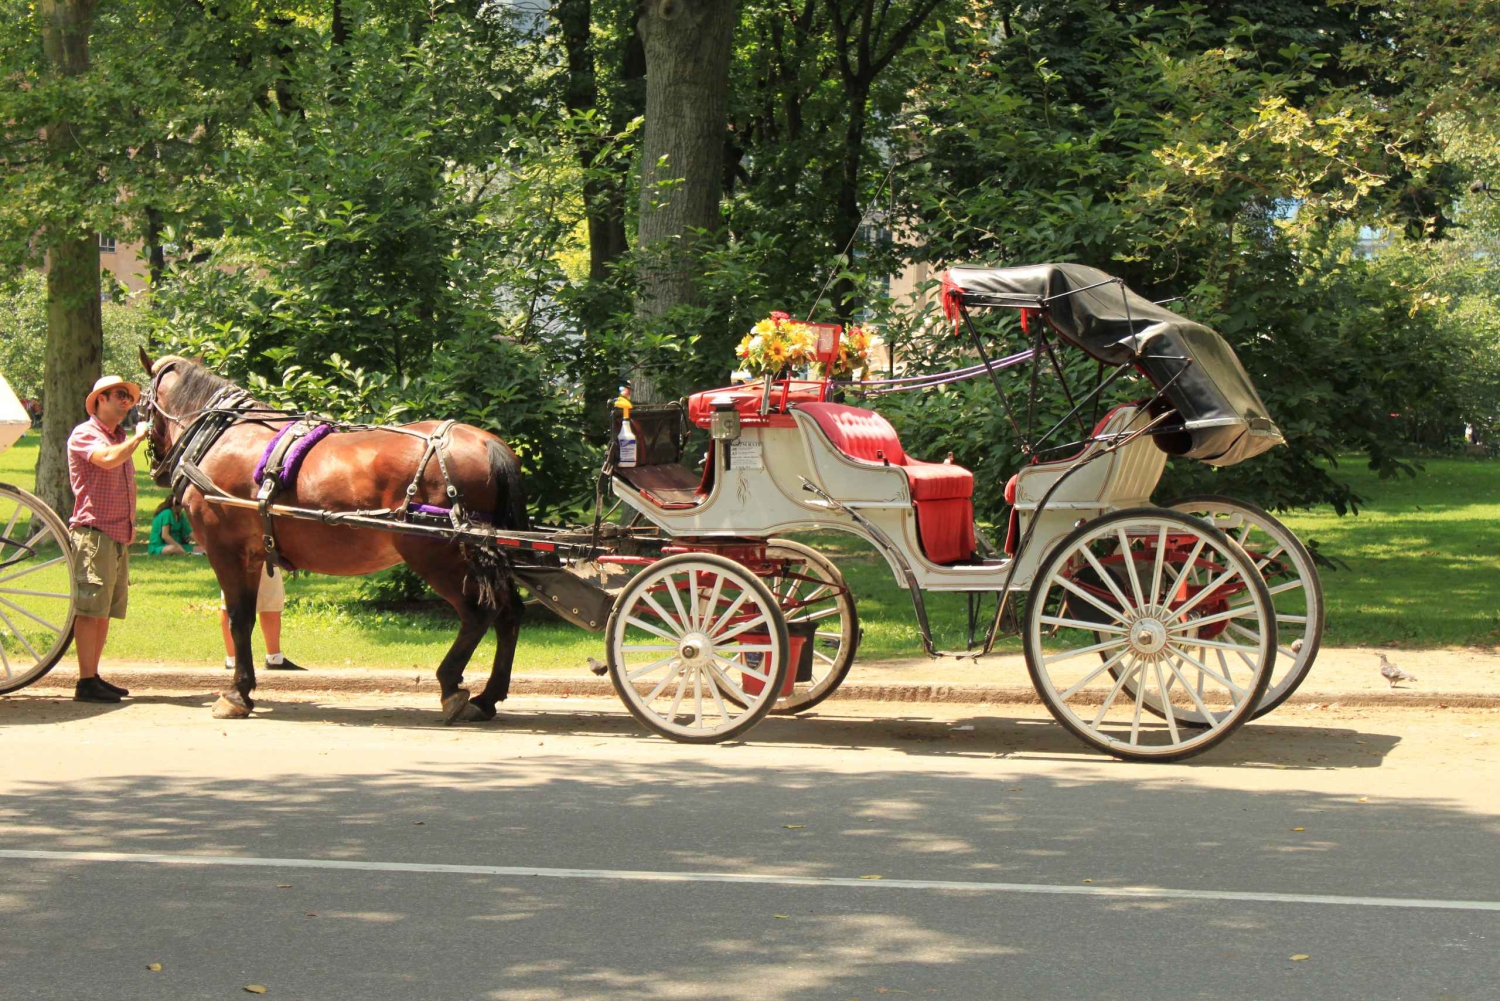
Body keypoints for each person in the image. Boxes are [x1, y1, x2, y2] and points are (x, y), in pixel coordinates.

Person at [67, 375, 148, 703]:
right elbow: (107, 459)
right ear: (100, 399)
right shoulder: (86, 434)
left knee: (103, 612)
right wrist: (138, 438)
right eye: (119, 395)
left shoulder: (118, 436)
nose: (126, 400)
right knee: (90, 610)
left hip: (116, 536)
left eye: (129, 396)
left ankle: (93, 677)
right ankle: (86, 681)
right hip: (93, 534)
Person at [219, 563, 304, 671]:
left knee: (271, 597)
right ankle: (233, 660)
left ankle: (274, 658)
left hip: (265, 551)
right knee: (231, 603)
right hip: (236, 552)